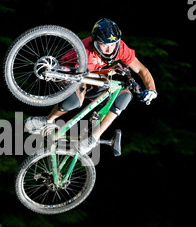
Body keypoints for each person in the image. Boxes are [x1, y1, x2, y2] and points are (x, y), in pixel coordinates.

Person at [25, 18, 157, 155]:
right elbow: (81, 78)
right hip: (70, 76)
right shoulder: (85, 52)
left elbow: (142, 70)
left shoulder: (120, 48)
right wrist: (103, 77)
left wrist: (151, 89)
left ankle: (93, 138)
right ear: (94, 42)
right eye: (103, 45)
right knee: (75, 101)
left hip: (94, 79)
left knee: (124, 95)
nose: (109, 49)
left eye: (112, 44)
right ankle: (47, 120)